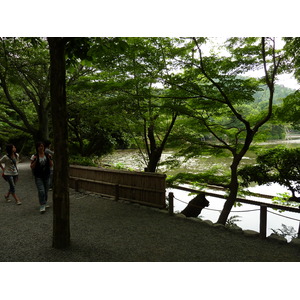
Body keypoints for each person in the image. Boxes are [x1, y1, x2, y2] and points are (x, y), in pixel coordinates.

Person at [30, 141, 53, 213]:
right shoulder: (34, 156)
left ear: (44, 147)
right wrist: (36, 160)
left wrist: (49, 158)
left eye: (42, 146)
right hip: (38, 176)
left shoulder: (47, 155)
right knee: (41, 191)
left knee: (46, 190)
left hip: (46, 175)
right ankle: (42, 205)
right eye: (39, 146)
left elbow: (51, 165)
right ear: (37, 148)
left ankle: (44, 202)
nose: (41, 147)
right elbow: (31, 166)